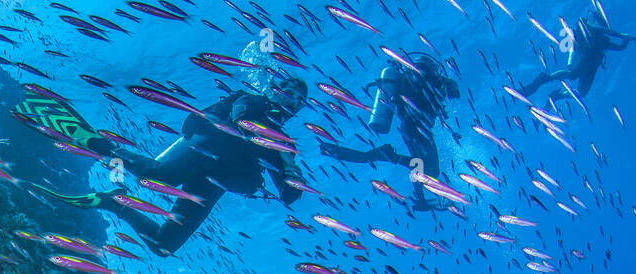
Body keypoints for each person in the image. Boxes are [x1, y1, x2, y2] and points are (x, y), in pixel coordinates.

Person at [81, 76, 310, 257]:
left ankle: (116, 204)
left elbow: (288, 195)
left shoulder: (282, 145)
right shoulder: (254, 101)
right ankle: (105, 148)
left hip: (215, 181)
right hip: (204, 149)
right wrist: (275, 140)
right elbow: (241, 119)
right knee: (157, 176)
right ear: (273, 91)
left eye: (300, 101)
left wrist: (293, 175)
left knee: (165, 245)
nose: (293, 102)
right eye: (289, 93)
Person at [319, 52, 459, 212]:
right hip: (415, 127)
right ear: (433, 68)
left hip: (414, 127)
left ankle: (391, 158)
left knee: (430, 170)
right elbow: (454, 94)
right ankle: (418, 196)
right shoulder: (435, 81)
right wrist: (448, 84)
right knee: (419, 164)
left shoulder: (406, 79)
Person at [521, 7, 636, 102]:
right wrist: (623, 35)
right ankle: (547, 78)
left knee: (582, 92)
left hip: (592, 69)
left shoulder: (603, 42)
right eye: (601, 22)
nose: (602, 25)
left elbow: (620, 47)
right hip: (585, 58)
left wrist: (626, 40)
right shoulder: (590, 27)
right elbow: (608, 31)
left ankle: (558, 96)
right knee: (573, 74)